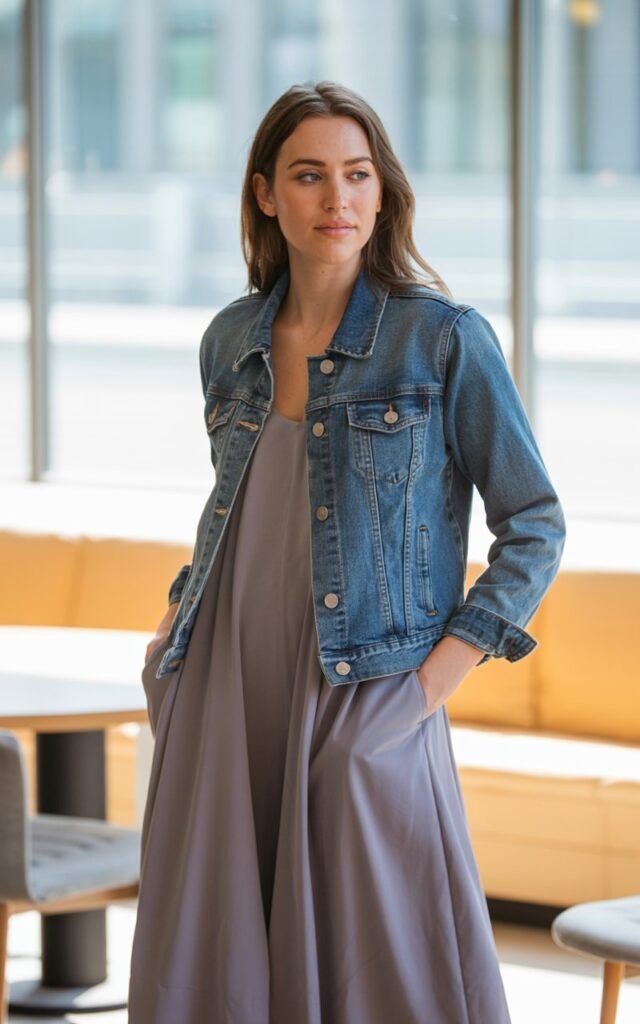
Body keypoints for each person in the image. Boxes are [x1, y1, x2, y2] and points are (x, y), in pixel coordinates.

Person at [127, 81, 566, 1023]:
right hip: (225, 677)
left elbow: (535, 523)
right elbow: (237, 500)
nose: (338, 200)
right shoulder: (230, 338)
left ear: (384, 191)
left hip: (367, 681)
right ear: (265, 195)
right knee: (217, 958)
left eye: (358, 175)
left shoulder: (442, 338)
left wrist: (426, 692)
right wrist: (170, 631)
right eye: (310, 176)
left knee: (390, 960)